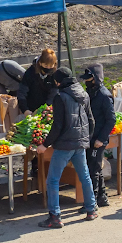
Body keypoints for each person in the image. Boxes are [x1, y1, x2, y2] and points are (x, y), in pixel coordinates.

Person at [36, 67, 98, 228]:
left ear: (59, 82)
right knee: (84, 176)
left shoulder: (60, 97)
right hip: (80, 143)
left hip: (64, 145)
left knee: (52, 180)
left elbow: (57, 126)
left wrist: (44, 145)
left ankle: (55, 216)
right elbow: (91, 120)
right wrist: (86, 139)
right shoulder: (83, 94)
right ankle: (91, 209)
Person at [82, 64, 114, 207]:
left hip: (98, 139)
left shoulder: (103, 95)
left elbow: (111, 119)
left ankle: (92, 201)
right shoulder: (91, 93)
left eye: (88, 79)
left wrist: (101, 139)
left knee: (93, 170)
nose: (86, 82)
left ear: (95, 79)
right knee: (95, 168)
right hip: (91, 137)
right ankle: (102, 197)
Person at [18, 48, 58, 115]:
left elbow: (54, 92)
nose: (48, 68)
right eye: (46, 65)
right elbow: (22, 92)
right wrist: (25, 109)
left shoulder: (54, 74)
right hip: (30, 107)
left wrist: (46, 107)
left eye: (51, 66)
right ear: (40, 63)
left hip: (46, 110)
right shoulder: (30, 73)